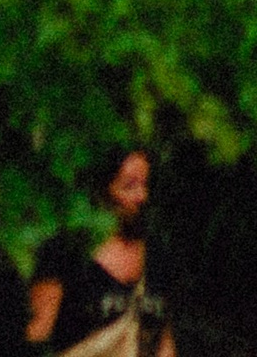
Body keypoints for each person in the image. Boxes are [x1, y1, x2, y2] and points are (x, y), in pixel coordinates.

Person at [26, 152, 174, 357]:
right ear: (102, 190)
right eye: (129, 186)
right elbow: (39, 333)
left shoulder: (155, 254)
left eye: (145, 185)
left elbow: (163, 339)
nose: (142, 197)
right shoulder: (67, 252)